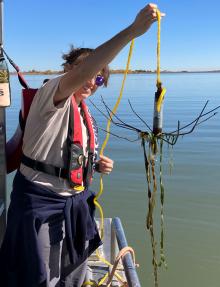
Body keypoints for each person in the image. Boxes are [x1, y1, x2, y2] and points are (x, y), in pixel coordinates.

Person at [0, 3, 165, 287]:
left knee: (75, 275)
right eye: (86, 72)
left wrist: (95, 164)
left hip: (76, 205)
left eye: (100, 78)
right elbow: (81, 74)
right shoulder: (51, 96)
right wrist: (133, 32)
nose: (92, 81)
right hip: (40, 204)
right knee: (40, 278)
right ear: (68, 69)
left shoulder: (83, 112)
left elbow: (66, 154)